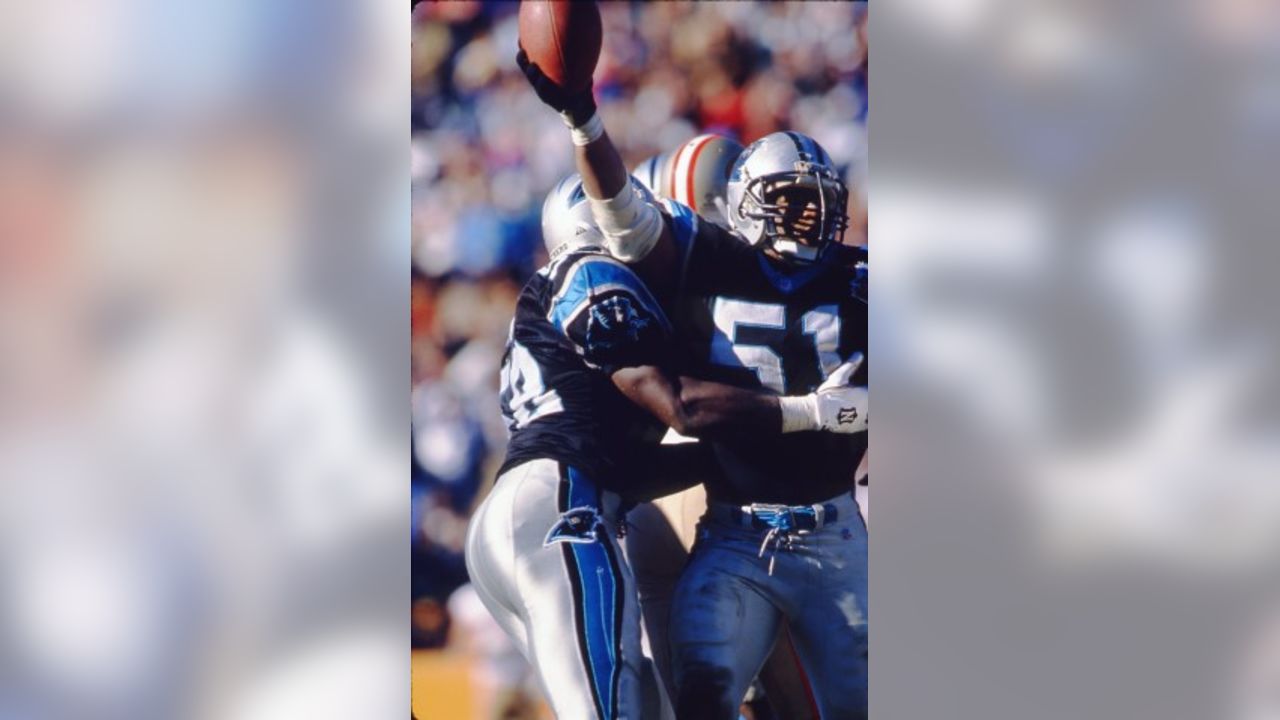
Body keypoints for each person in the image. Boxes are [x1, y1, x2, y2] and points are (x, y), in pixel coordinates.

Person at [517, 47, 869, 719]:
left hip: (790, 511)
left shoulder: (848, 275)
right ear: (721, 206)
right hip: (710, 504)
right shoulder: (686, 256)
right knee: (714, 689)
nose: (806, 219)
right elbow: (624, 216)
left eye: (815, 203)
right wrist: (582, 118)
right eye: (786, 201)